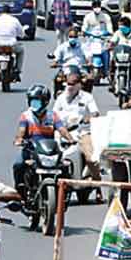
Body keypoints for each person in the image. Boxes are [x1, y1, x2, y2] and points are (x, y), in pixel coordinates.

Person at [13, 85, 74, 197]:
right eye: (32, 101)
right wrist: (19, 140)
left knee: (66, 166)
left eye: (36, 101)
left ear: (45, 102)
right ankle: (20, 192)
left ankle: (65, 193)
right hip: (31, 151)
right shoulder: (26, 116)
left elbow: (62, 129)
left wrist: (70, 139)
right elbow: (21, 131)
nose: (33, 104)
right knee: (18, 164)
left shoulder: (52, 116)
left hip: (49, 152)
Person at [52, 73, 103, 202]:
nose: (69, 87)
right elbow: (54, 115)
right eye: (68, 84)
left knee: (91, 159)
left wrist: (89, 117)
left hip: (81, 132)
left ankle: (98, 186)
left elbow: (95, 112)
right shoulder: (61, 98)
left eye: (73, 84)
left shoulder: (87, 98)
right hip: (62, 132)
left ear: (79, 84)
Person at [0, 5, 25, 80]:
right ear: (10, 12)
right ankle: (18, 69)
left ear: (2, 12)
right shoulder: (15, 20)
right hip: (12, 44)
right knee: (21, 51)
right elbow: (21, 33)